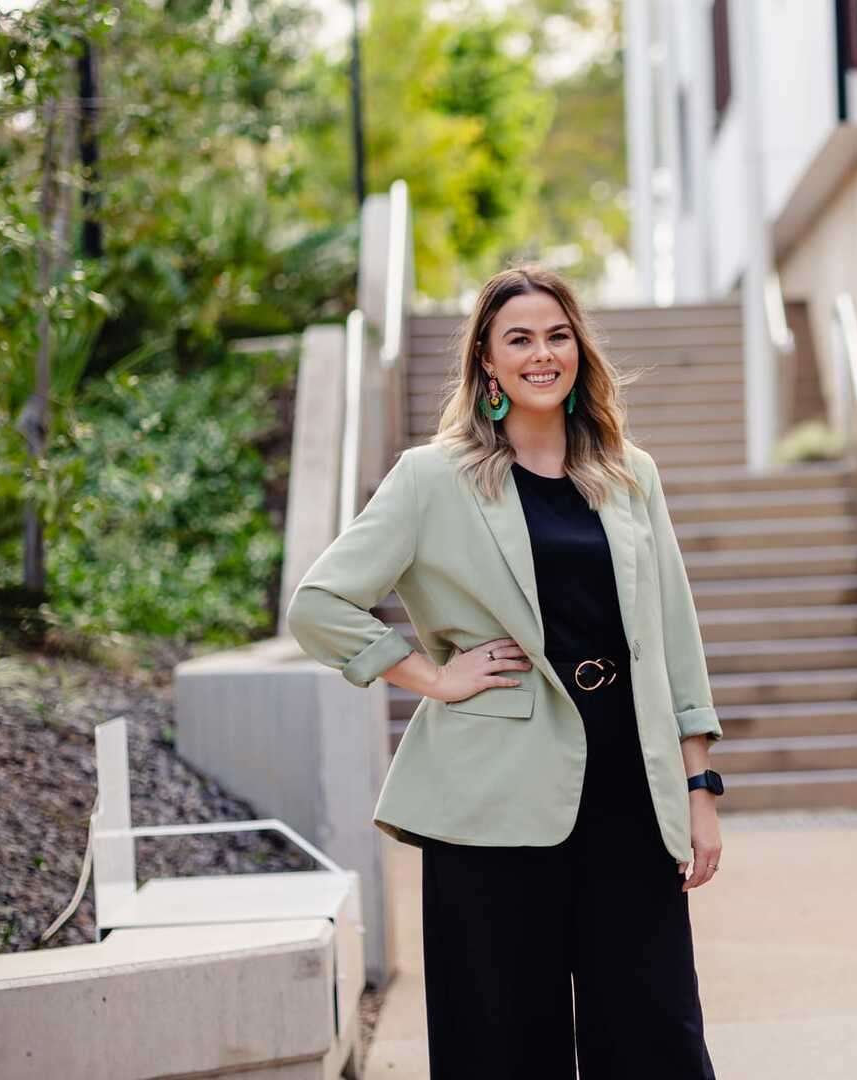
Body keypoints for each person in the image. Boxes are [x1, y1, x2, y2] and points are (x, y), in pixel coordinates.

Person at [285, 265, 725, 1078]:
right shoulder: (432, 478)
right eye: (518, 339)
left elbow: (674, 635)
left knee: (656, 1032)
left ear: (579, 351)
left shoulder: (632, 474)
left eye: (557, 336)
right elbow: (318, 604)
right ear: (487, 362)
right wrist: (432, 676)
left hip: (630, 785)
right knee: (501, 1041)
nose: (541, 354)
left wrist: (700, 790)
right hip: (492, 799)